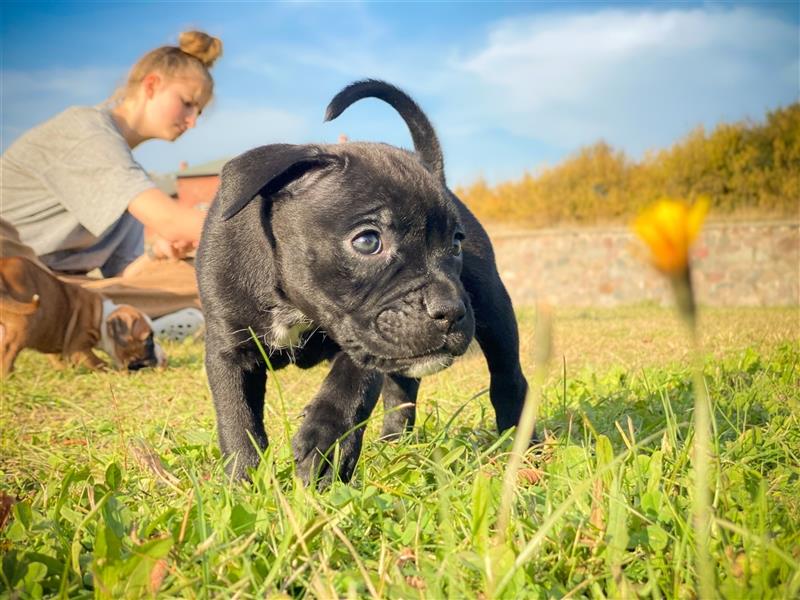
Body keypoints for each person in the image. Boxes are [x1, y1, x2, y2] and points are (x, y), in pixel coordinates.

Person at [1, 30, 222, 340]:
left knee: (197, 276)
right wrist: (268, 233)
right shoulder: (85, 131)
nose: (192, 121)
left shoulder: (128, 174)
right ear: (152, 84)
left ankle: (133, 321)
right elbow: (172, 222)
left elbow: (125, 275)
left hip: (66, 287)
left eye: (197, 111)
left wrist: (158, 255)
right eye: (187, 104)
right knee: (215, 288)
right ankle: (131, 321)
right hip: (13, 280)